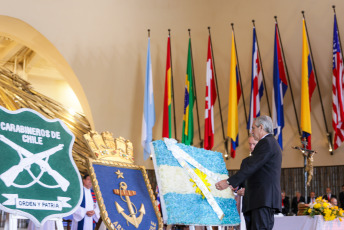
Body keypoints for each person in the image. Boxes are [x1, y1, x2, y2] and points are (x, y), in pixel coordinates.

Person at [215, 115, 282, 230]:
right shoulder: (270, 142)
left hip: (263, 199)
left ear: (261, 127)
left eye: (253, 128)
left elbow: (251, 166)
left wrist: (228, 182)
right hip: (259, 200)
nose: (251, 132)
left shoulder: (266, 142)